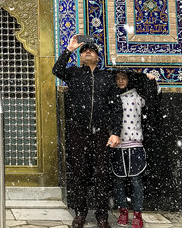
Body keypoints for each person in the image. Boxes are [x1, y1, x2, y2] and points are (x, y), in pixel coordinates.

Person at [53, 35, 123, 228]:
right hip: (79, 130)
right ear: (81, 56)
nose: (87, 52)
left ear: (97, 56)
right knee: (79, 172)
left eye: (91, 50)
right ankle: (80, 213)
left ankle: (102, 216)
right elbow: (56, 70)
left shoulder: (106, 78)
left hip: (101, 132)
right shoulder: (74, 73)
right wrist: (70, 49)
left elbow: (117, 107)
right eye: (84, 51)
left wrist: (115, 132)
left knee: (102, 174)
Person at [111, 70, 161, 228]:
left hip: (135, 144)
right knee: (118, 180)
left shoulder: (137, 96)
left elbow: (155, 97)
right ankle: (123, 211)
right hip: (117, 144)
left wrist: (152, 81)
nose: (120, 81)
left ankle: (138, 213)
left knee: (136, 180)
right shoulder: (111, 97)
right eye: (117, 78)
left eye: (123, 78)